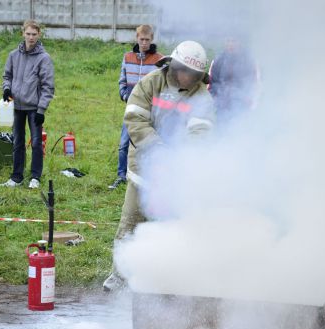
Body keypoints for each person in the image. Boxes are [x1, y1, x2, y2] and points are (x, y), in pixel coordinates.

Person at [103, 40, 216, 291]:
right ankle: (119, 276)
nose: (189, 77)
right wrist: (158, 151)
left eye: (195, 74)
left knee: (173, 226)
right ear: (174, 66)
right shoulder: (150, 83)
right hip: (143, 167)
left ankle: (167, 279)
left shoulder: (202, 96)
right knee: (131, 221)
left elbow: (200, 134)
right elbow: (135, 119)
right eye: (185, 70)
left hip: (178, 174)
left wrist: (178, 162)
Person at [0, 19, 54, 189]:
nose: (31, 37)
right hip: (16, 107)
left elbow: (48, 86)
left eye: (34, 34)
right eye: (28, 34)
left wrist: (41, 109)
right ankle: (16, 177)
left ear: (39, 35)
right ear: (23, 33)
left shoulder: (44, 58)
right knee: (17, 142)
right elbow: (7, 76)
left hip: (34, 109)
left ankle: (35, 177)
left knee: (37, 142)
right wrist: (7, 89)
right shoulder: (13, 55)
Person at [108, 25, 164, 190]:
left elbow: (161, 84)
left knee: (148, 143)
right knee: (124, 143)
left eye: (147, 40)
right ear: (137, 38)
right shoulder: (128, 57)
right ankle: (121, 175)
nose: (144, 43)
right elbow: (122, 80)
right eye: (142, 39)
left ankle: (146, 176)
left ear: (151, 39)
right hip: (131, 109)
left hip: (150, 110)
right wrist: (125, 96)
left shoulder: (159, 60)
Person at [208, 35, 259, 126]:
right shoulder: (219, 60)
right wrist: (216, 99)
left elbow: (253, 82)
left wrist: (248, 98)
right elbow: (212, 83)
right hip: (223, 105)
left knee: (240, 129)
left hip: (241, 104)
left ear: (239, 42)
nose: (230, 44)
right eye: (228, 41)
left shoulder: (248, 61)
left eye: (233, 41)